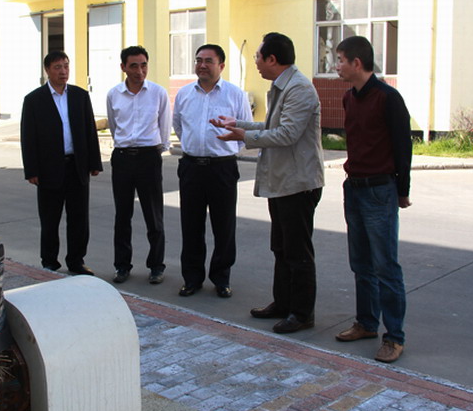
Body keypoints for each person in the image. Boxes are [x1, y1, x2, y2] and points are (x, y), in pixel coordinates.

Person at [211, 32, 324, 334]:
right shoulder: (282, 85)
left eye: (258, 57)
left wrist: (244, 136)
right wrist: (238, 124)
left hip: (298, 183)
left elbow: (287, 134)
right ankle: (283, 303)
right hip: (282, 182)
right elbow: (272, 125)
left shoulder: (299, 88)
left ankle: (302, 313)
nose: (256, 62)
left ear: (272, 59)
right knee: (281, 248)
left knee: (297, 252)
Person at [333, 35, 412, 364]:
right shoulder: (348, 98)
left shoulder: (387, 98)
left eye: (340, 60)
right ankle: (366, 323)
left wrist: (402, 191)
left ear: (357, 63)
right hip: (354, 188)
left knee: (385, 266)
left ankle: (394, 337)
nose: (336, 66)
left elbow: (403, 146)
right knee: (361, 263)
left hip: (380, 190)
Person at [172, 44, 251, 298]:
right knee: (191, 226)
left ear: (221, 66)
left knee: (224, 226)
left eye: (208, 61)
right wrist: (195, 147)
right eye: (198, 60)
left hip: (222, 168)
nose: (202, 65)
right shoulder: (184, 94)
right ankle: (192, 278)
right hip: (191, 167)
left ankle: (221, 278)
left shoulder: (235, 94)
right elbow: (179, 126)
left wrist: (223, 150)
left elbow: (245, 130)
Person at [20, 51, 102, 275]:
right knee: (50, 219)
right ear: (47, 70)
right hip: (49, 169)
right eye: (57, 67)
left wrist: (94, 162)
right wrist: (32, 170)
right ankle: (49, 262)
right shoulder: (34, 100)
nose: (63, 71)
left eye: (66, 66)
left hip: (76, 166)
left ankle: (76, 261)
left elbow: (89, 130)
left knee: (79, 218)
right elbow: (28, 137)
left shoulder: (79, 96)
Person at [106, 46, 171, 285]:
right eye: (133, 65)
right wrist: (125, 147)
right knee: (122, 216)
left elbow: (165, 127)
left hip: (148, 158)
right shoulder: (114, 94)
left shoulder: (158, 93)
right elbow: (114, 126)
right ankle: (122, 266)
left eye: (143, 65)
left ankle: (156, 266)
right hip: (122, 158)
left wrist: (154, 152)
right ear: (123, 67)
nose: (139, 71)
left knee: (154, 216)